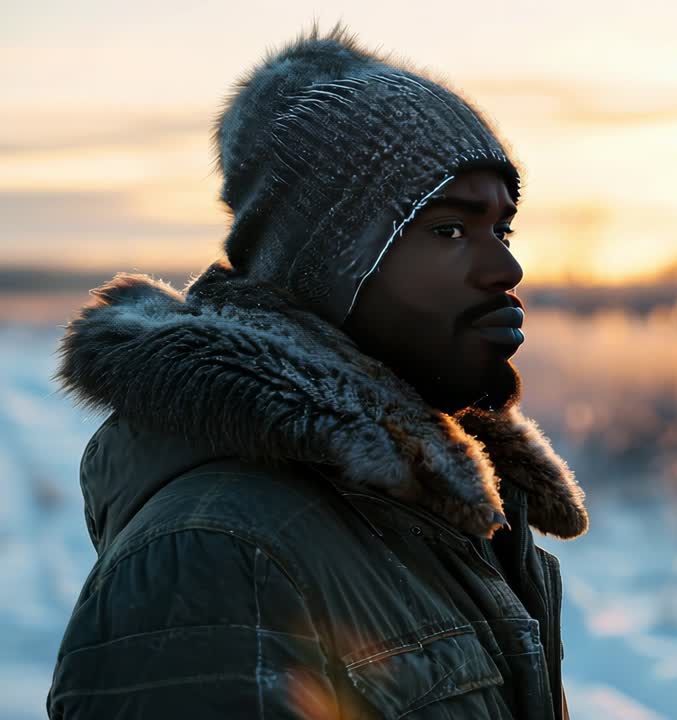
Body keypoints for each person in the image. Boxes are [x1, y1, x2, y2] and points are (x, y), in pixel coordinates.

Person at [46, 20, 588, 719]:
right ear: (328, 265)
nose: (506, 268)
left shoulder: (436, 510)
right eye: (448, 230)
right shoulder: (221, 557)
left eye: (502, 228)